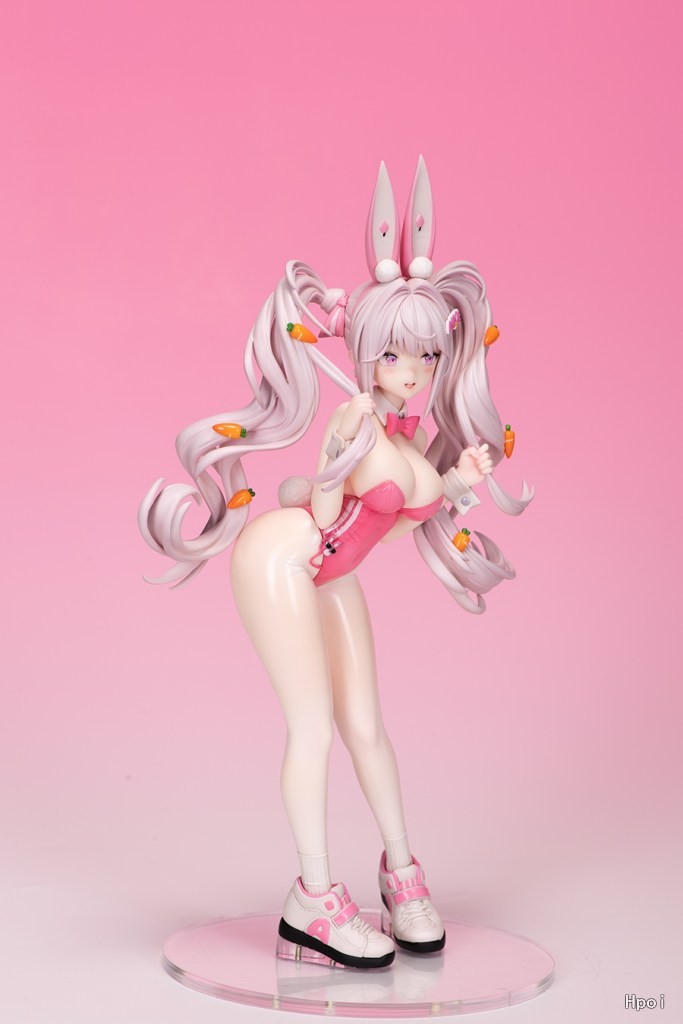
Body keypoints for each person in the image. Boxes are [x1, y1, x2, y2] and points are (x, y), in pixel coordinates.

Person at [139, 157, 534, 970]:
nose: (413, 373)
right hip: (282, 558)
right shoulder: (354, 418)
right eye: (395, 356)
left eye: (426, 357)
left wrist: (459, 482)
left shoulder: (409, 437)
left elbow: (382, 530)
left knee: (366, 726)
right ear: (362, 354)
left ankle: (401, 872)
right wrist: (332, 461)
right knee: (313, 726)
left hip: (329, 569)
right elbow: (325, 518)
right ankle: (312, 899)